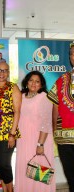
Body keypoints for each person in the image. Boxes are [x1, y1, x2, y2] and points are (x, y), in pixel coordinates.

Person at [14, 71, 55, 192]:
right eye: (31, 80)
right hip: (23, 140)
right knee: (25, 169)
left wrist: (40, 144)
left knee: (38, 174)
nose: (34, 83)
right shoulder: (21, 96)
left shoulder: (44, 97)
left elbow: (46, 122)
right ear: (26, 82)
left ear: (41, 85)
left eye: (37, 82)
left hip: (39, 140)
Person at [0, 62, 21, 192]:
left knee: (4, 164)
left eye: (5, 71)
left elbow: (17, 111)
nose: (2, 73)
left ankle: (10, 189)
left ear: (8, 73)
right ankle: (4, 189)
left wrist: (12, 134)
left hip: (8, 131)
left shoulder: (13, 88)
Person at [47, 44, 74, 192]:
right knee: (71, 177)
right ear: (70, 57)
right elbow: (55, 106)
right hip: (64, 138)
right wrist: (55, 130)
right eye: (72, 54)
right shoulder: (61, 80)